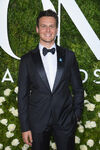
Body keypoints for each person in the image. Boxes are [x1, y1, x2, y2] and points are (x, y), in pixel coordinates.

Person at [18, 9, 84, 150]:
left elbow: (78, 88)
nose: (48, 30)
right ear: (37, 29)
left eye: (51, 26)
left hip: (65, 121)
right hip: (37, 122)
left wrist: (76, 116)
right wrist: (25, 126)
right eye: (43, 26)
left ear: (57, 29)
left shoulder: (69, 56)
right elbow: (22, 95)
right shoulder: (27, 60)